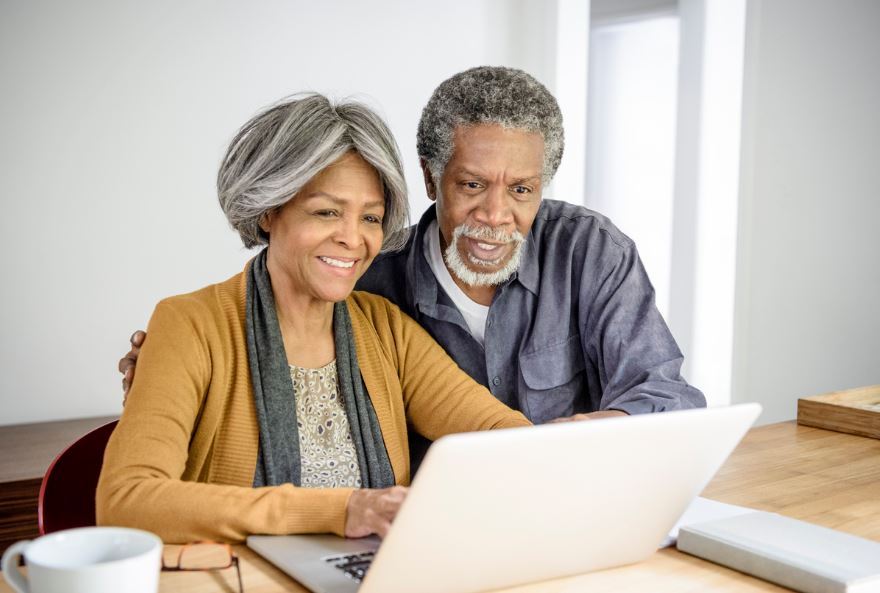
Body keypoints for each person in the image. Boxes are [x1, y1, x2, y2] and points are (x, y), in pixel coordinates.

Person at [120, 66, 705, 446]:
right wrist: (176, 371)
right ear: (430, 178)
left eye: (522, 190)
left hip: (553, 504)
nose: (496, 215)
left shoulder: (588, 251)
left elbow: (667, 396)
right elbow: (268, 340)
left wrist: (597, 434)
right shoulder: (367, 278)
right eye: (472, 185)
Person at [97, 93, 530, 544]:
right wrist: (338, 510)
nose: (352, 238)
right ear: (268, 209)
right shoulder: (189, 325)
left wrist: (561, 448)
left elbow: (503, 437)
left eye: (370, 218)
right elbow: (127, 500)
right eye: (326, 212)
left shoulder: (386, 329)